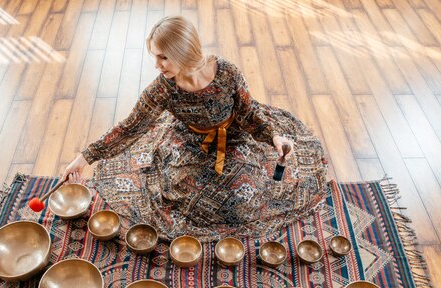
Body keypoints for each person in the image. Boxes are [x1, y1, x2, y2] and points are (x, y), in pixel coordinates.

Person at [63, 16, 328, 242]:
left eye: (163, 57)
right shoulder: (162, 89)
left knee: (243, 198)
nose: (157, 65)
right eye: (155, 57)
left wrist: (274, 137)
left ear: (182, 51)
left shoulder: (227, 73)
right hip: (189, 141)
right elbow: (131, 127)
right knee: (185, 194)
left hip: (232, 136)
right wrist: (82, 158)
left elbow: (249, 114)